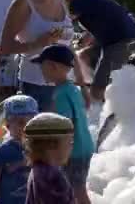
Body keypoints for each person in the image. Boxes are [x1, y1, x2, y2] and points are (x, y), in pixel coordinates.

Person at [0, 0, 85, 112]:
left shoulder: (61, 2)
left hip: (65, 84)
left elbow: (68, 45)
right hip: (36, 85)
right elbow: (5, 46)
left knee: (63, 135)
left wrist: (80, 78)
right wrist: (39, 43)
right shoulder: (23, 3)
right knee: (41, 136)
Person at [60, 0, 135, 102]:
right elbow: (95, 28)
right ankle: (94, 84)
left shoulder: (80, 1)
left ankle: (107, 107)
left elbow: (61, 23)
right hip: (115, 38)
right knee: (83, 56)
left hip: (121, 41)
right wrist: (81, 43)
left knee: (98, 90)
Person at [32, 44, 94, 204]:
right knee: (79, 189)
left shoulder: (60, 94)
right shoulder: (72, 89)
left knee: (75, 191)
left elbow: (63, 125)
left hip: (73, 151)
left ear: (52, 66)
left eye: (42, 66)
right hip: (85, 145)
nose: (41, 71)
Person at [0, 95, 38, 204]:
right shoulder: (2, 152)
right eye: (20, 122)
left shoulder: (41, 149)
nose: (25, 126)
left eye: (30, 121)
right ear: (8, 125)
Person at [24, 112, 75, 204]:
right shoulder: (53, 177)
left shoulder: (36, 171)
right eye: (70, 142)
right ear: (52, 144)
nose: (71, 146)